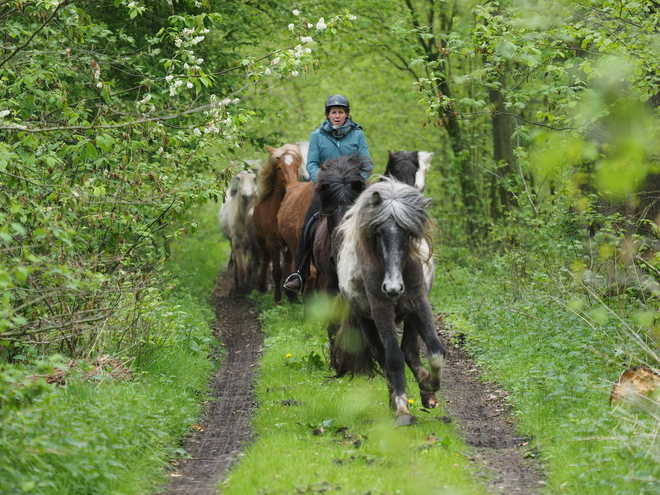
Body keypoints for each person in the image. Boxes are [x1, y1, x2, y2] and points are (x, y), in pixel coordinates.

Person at [283, 94, 372, 293]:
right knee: (307, 227)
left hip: (351, 192)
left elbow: (366, 164)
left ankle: (376, 268)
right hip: (327, 191)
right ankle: (299, 273)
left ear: (347, 114)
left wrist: (355, 182)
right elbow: (312, 164)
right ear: (328, 114)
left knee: (375, 222)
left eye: (341, 112)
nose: (337, 116)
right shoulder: (317, 135)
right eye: (334, 112)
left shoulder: (357, 134)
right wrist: (324, 181)